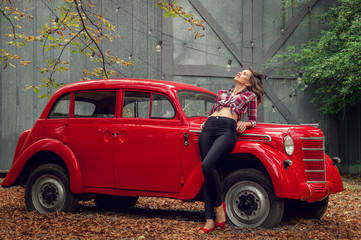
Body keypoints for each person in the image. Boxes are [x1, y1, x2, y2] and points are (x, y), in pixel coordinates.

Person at [197, 67, 264, 234]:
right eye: (240, 72)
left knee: (207, 166)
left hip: (227, 130)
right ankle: (209, 220)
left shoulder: (250, 96)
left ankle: (219, 209)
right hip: (208, 129)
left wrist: (245, 124)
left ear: (248, 82)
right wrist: (207, 120)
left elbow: (254, 120)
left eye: (244, 74)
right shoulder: (221, 93)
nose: (239, 73)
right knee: (207, 172)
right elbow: (214, 111)